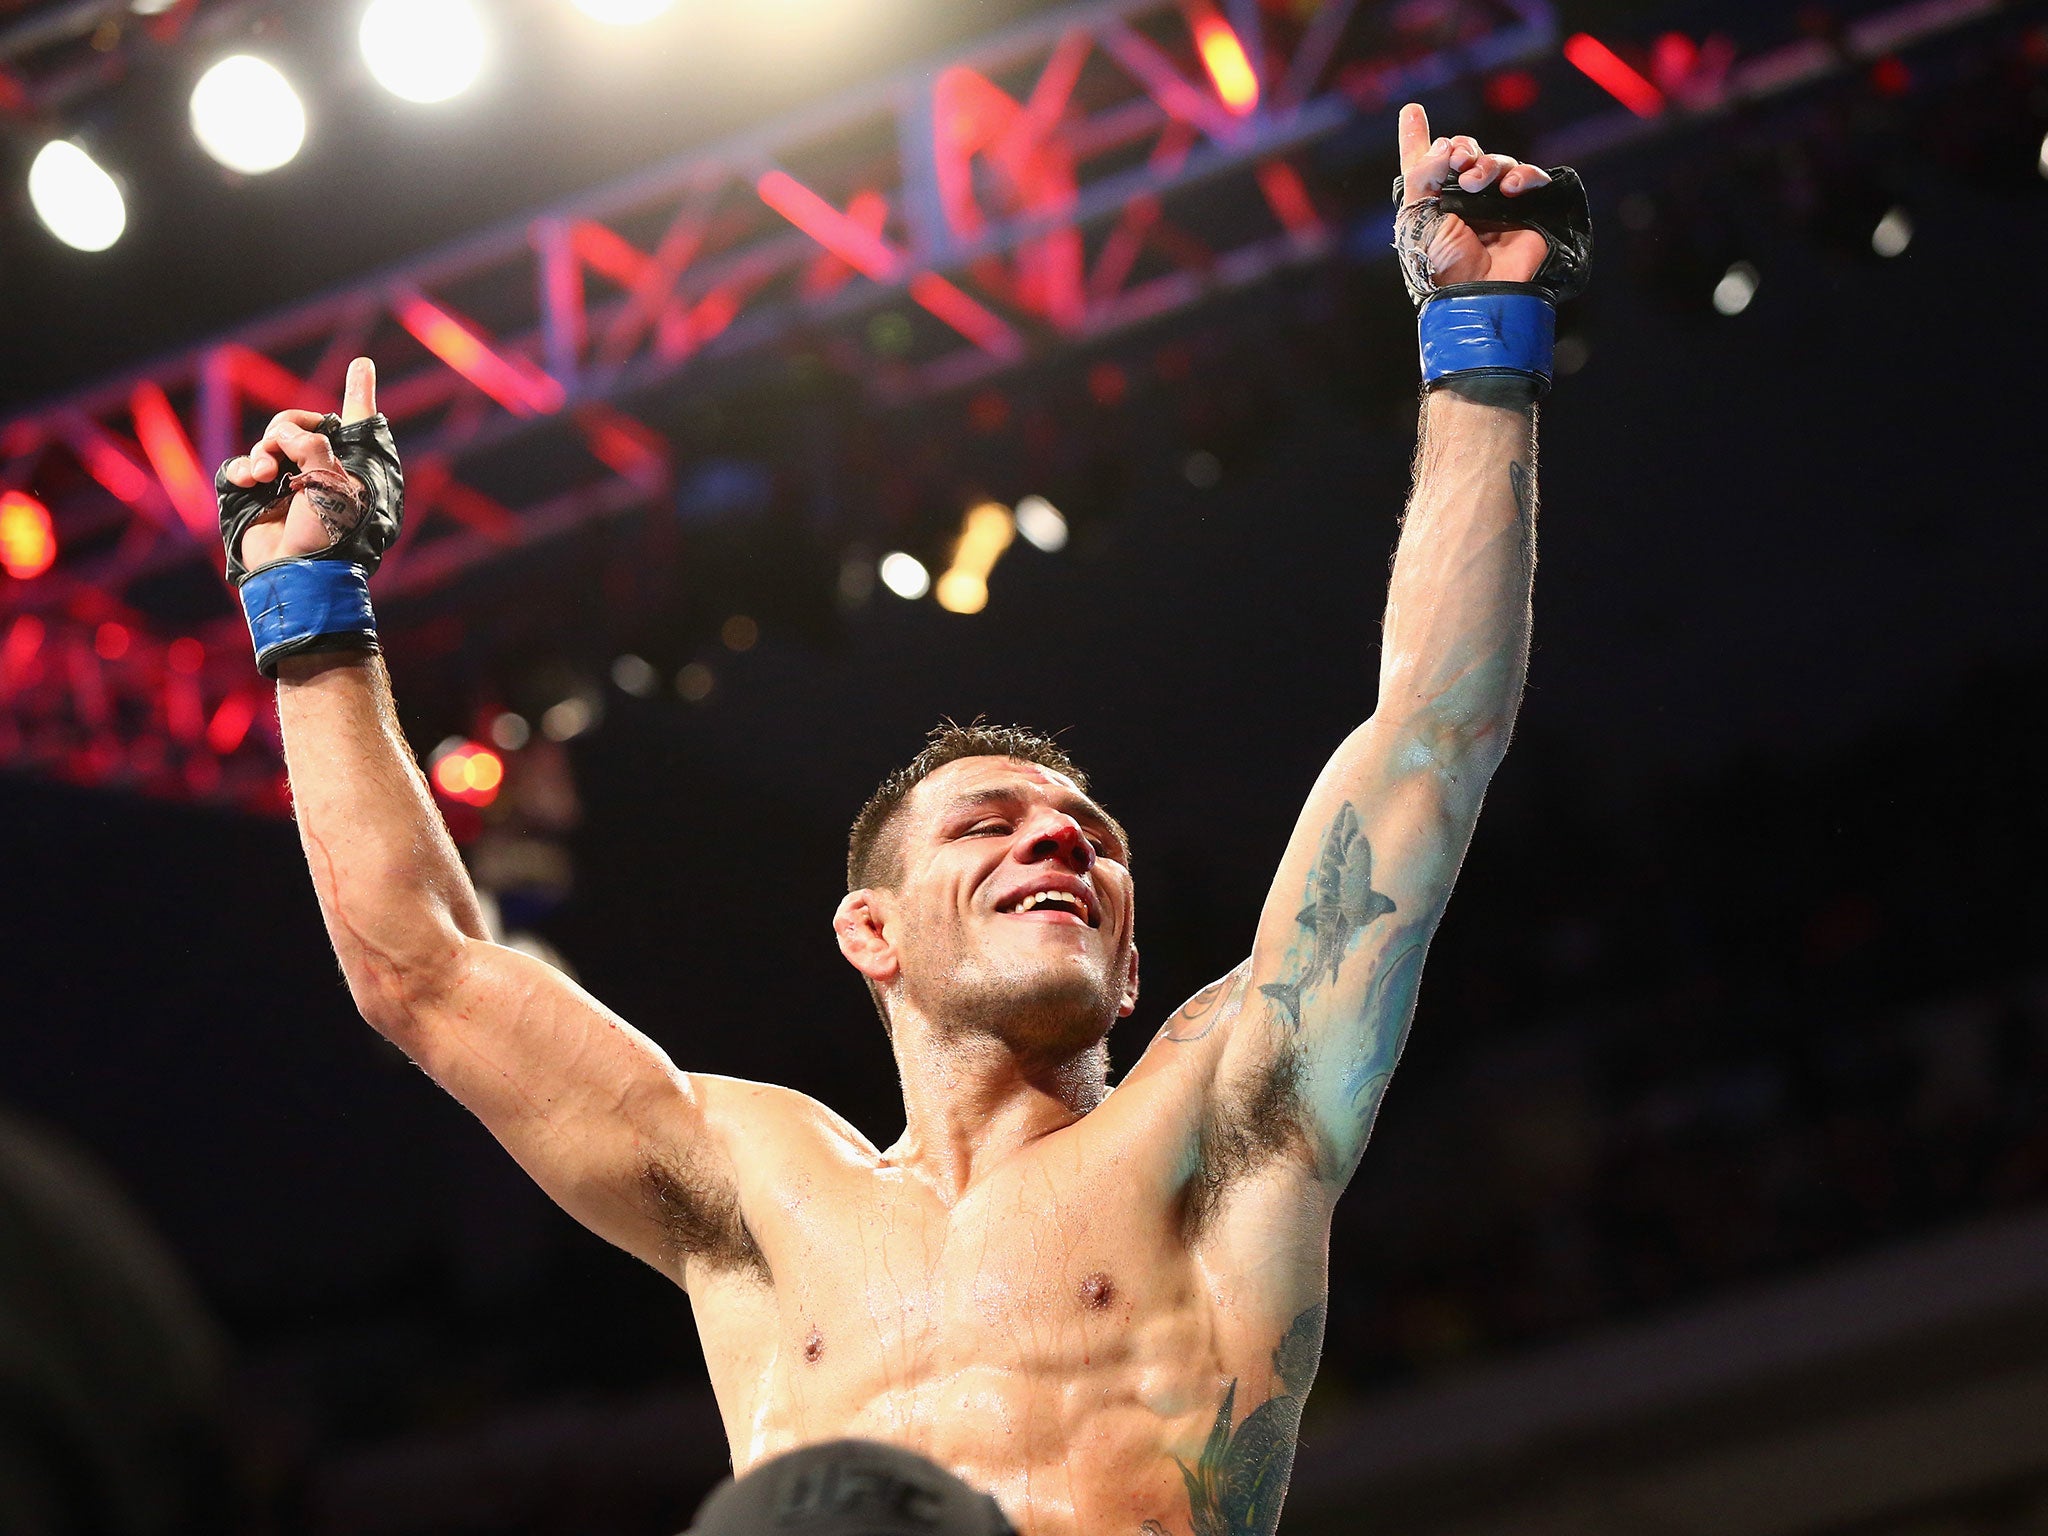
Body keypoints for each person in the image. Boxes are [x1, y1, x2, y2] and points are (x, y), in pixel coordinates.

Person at [212, 106, 1580, 1535]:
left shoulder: (1222, 1110)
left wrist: (1481, 338)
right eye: (988, 825)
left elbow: (1428, 738)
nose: (1062, 843)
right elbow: (423, 973)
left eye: (1094, 839)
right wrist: (309, 619)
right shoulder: (755, 1186)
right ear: (869, 931)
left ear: (1126, 968)